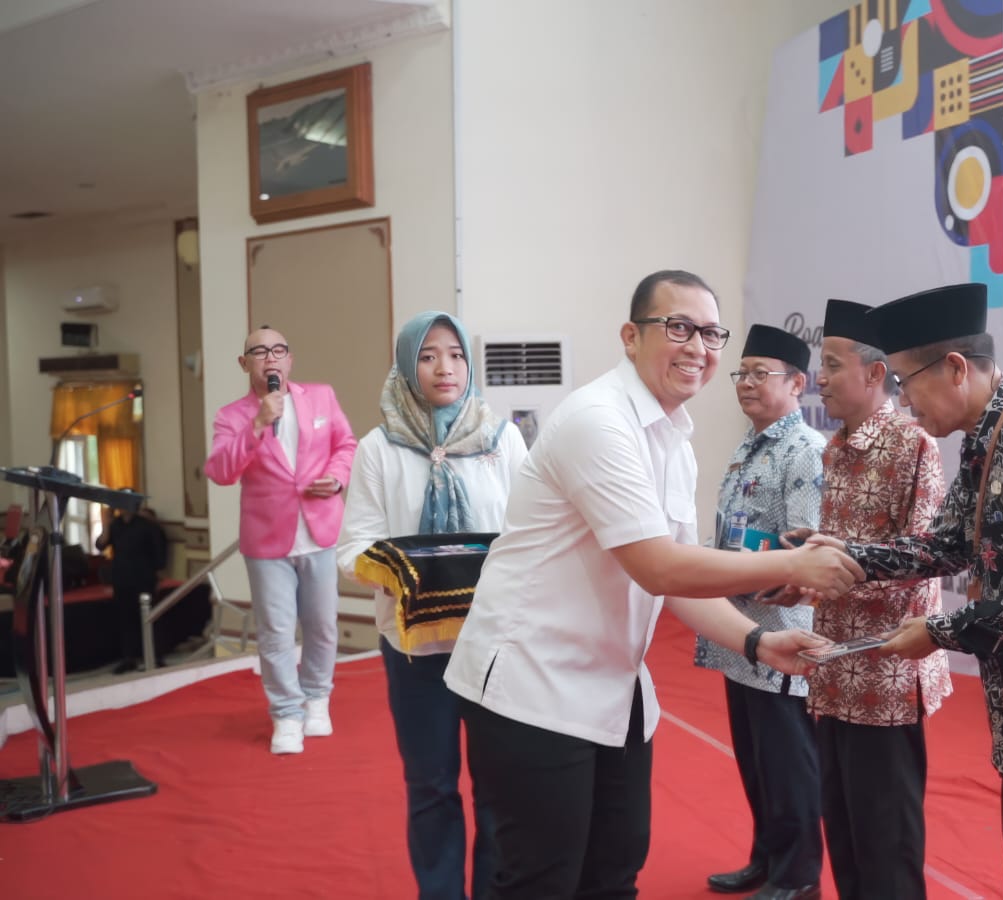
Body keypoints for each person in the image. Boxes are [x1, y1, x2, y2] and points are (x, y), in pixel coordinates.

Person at [442, 270, 864, 899]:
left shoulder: (675, 438)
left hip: (614, 689)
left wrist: (756, 642)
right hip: (532, 688)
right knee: (539, 880)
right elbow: (659, 566)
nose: (698, 347)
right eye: (679, 327)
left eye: (711, 333)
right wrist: (792, 565)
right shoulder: (598, 421)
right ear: (630, 337)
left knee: (615, 872)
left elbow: (676, 579)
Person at [791, 283, 1003, 899]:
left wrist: (941, 631)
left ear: (954, 368)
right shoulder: (986, 438)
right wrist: (847, 555)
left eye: (906, 382)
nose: (903, 400)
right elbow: (946, 544)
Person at [337, 311, 529, 899]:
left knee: (500, 787)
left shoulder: (502, 439)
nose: (445, 367)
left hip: (495, 646)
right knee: (431, 786)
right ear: (405, 364)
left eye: (455, 354)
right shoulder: (378, 448)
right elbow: (353, 548)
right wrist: (410, 574)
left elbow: (531, 532)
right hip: (415, 650)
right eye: (427, 355)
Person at [809, 298, 951, 900]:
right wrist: (803, 563)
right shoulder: (833, 447)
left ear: (874, 373)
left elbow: (925, 556)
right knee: (842, 833)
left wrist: (832, 567)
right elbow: (839, 544)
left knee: (886, 844)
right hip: (832, 667)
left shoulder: (912, 444)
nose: (819, 378)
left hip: (886, 674)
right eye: (820, 364)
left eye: (832, 364)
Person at [696, 324, 827, 900]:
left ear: (797, 383)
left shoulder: (804, 451)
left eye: (760, 374)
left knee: (788, 762)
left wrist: (734, 565)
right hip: (740, 631)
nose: (746, 383)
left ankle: (798, 876)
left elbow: (804, 550)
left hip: (780, 632)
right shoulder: (748, 445)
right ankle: (767, 859)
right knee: (755, 760)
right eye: (741, 373)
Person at [205, 326, 357, 755]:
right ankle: (286, 714)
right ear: (245, 364)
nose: (270, 358)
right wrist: (257, 424)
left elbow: (345, 444)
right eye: (259, 351)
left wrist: (337, 478)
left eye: (278, 350)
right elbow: (220, 472)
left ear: (289, 359)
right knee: (275, 632)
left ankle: (317, 699)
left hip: (319, 531)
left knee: (322, 624)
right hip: (267, 539)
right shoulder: (232, 416)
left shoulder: (321, 397)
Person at [95, 500, 169, 674]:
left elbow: (160, 556)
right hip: (121, 579)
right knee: (125, 619)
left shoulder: (148, 526)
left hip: (143, 579)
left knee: (149, 618)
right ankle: (129, 658)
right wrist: (106, 524)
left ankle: (155, 656)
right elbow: (101, 545)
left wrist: (153, 572)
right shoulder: (115, 525)